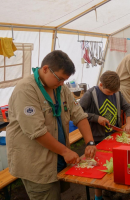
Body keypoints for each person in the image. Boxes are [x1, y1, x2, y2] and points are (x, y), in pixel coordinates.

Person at [6, 50, 97, 200]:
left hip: (57, 158)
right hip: (37, 164)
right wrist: (66, 152)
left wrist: (90, 142)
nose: (62, 83)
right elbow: (37, 132)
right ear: (46, 69)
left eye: (64, 80)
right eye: (60, 79)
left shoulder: (60, 88)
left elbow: (79, 115)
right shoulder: (26, 90)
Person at [79, 70, 130, 200]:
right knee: (99, 169)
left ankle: (109, 188)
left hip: (113, 135)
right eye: (109, 92)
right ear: (101, 85)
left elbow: (128, 108)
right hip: (96, 138)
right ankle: (98, 196)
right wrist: (96, 118)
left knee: (113, 163)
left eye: (114, 92)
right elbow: (78, 113)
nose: (112, 94)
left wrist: (128, 123)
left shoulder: (117, 93)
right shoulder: (91, 94)